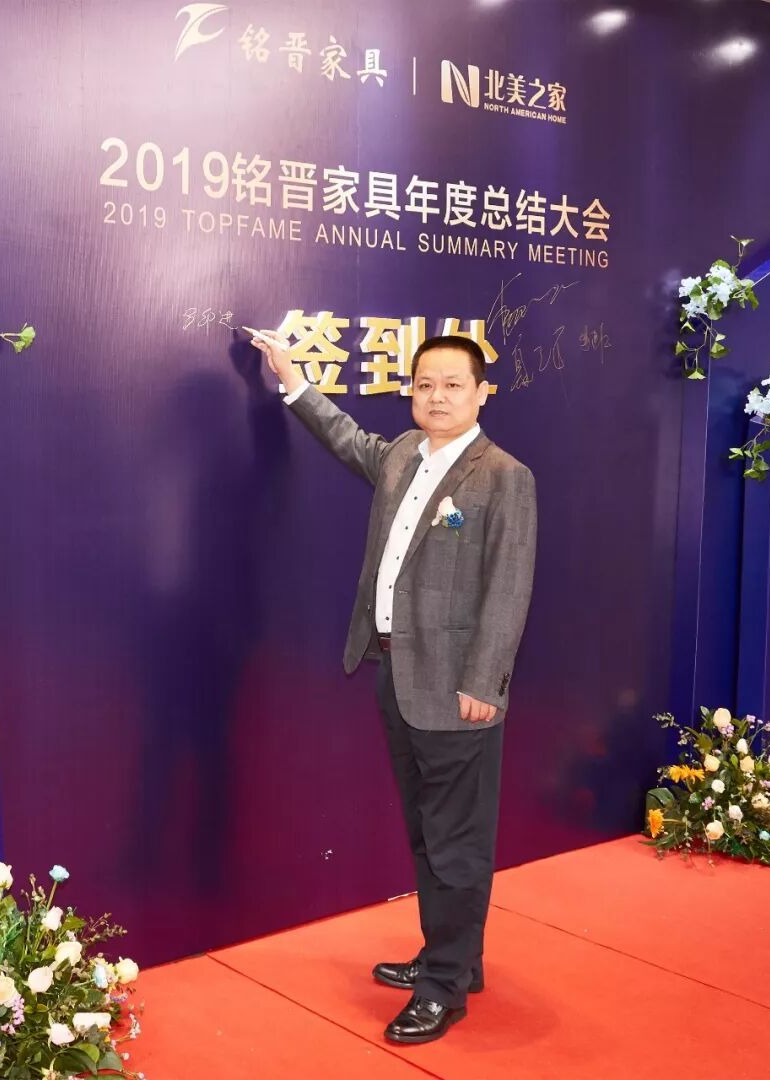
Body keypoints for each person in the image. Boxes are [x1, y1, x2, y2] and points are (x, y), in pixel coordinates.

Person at [249, 329, 538, 1044]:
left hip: (458, 690)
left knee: (457, 841)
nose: (436, 397)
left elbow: (509, 589)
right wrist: (292, 377)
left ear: (482, 394)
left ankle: (444, 988)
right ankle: (453, 958)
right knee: (426, 831)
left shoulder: (505, 476)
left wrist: (485, 682)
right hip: (397, 675)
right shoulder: (405, 454)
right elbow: (347, 439)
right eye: (424, 385)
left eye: (452, 385)